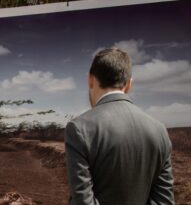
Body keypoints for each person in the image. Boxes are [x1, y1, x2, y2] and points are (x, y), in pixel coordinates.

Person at [65, 48, 174, 204]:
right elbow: (163, 200)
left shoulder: (79, 128)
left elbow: (83, 200)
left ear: (90, 79)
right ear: (129, 84)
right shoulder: (159, 129)